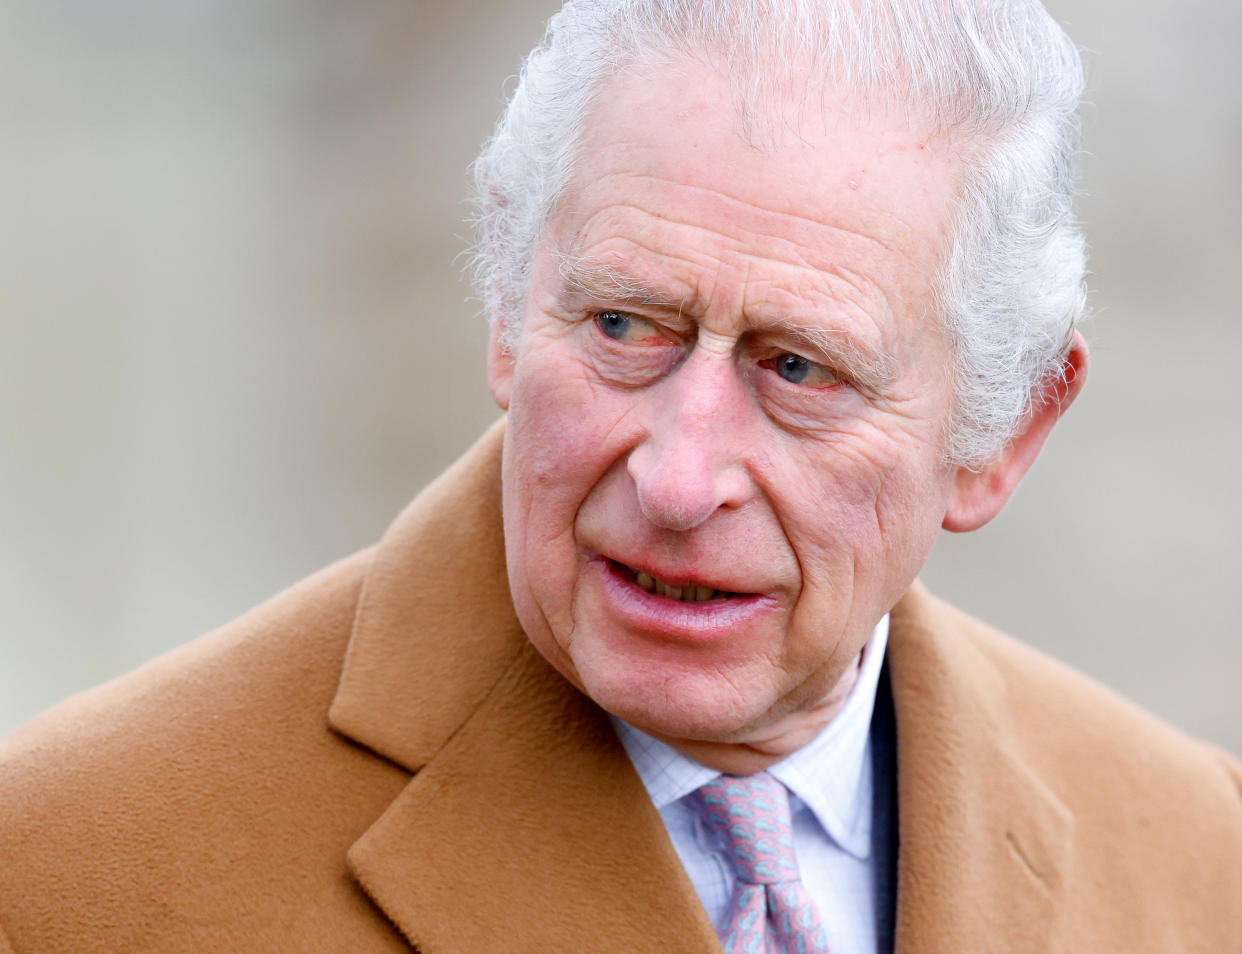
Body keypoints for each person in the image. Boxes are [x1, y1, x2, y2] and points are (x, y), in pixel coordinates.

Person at [2, 0, 1240, 951]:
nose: (679, 476)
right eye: (624, 327)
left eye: (799, 369)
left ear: (1004, 431)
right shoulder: (67, 867)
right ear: (506, 298)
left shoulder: (1198, 861)